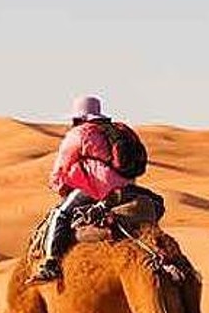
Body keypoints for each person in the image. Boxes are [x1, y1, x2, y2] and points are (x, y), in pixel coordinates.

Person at [27, 94, 131, 284]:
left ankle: (51, 263)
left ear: (80, 118)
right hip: (129, 187)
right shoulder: (114, 132)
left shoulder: (80, 134)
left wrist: (59, 187)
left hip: (98, 187)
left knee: (60, 214)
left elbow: (61, 168)